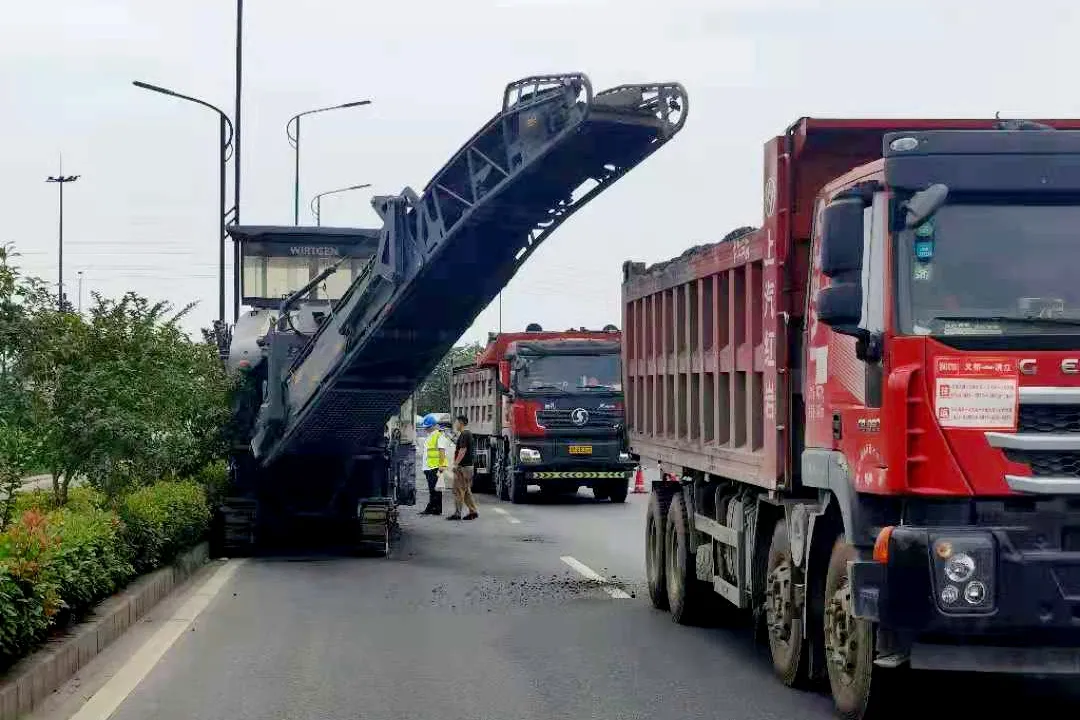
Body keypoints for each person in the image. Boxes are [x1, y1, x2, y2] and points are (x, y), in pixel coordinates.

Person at [448, 414, 479, 521]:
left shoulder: (465, 434)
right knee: (466, 491)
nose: (455, 424)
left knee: (458, 490)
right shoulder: (466, 434)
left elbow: (462, 450)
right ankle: (473, 511)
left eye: (456, 422)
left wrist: (456, 464)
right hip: (467, 467)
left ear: (461, 423)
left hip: (463, 467)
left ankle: (457, 513)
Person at [419, 414, 448, 515]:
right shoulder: (431, 435)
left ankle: (434, 508)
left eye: (427, 427)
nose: (425, 429)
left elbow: (442, 451)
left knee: (435, 489)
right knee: (434, 489)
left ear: (432, 426)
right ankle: (435, 508)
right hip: (429, 466)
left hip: (435, 467)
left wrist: (441, 465)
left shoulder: (439, 435)